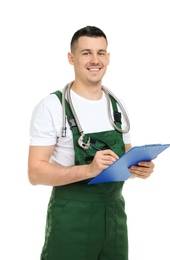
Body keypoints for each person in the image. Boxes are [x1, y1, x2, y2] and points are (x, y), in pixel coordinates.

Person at [28, 25, 155, 260]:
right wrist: (89, 169)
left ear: (108, 57)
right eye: (86, 53)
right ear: (71, 57)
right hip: (71, 218)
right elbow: (35, 173)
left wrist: (139, 169)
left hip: (114, 217)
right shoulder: (53, 107)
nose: (95, 60)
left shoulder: (117, 106)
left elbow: (123, 164)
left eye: (101, 52)